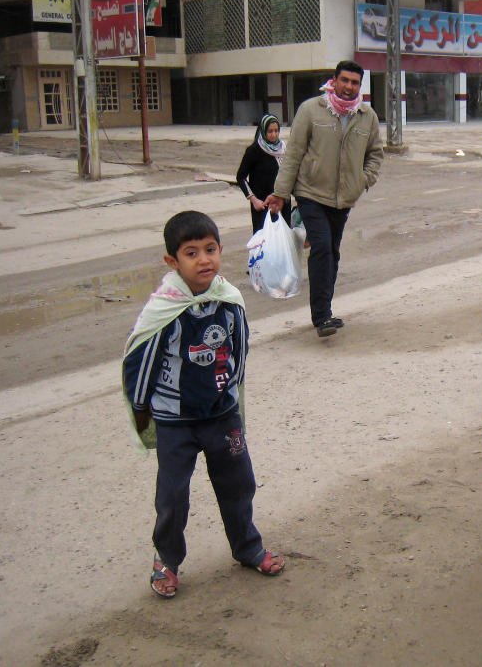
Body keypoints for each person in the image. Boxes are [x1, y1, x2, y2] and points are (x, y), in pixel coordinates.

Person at [122, 210, 285, 598]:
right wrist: (143, 407)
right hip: (175, 422)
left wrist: (229, 392)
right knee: (173, 496)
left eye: (210, 249)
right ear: (172, 262)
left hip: (221, 417)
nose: (204, 260)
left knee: (239, 484)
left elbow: (240, 352)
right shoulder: (164, 310)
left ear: (220, 250)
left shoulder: (228, 300)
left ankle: (248, 548)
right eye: (191, 253)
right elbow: (139, 361)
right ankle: (167, 560)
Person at [264, 60, 383, 337]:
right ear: (334, 80)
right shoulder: (310, 110)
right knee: (321, 247)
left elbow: (375, 154)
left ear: (359, 86)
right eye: (345, 81)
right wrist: (281, 193)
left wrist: (362, 181)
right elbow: (292, 154)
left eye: (355, 83)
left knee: (332, 252)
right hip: (310, 193)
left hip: (344, 199)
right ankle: (321, 316)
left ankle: (325, 311)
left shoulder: (367, 116)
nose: (349, 87)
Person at [236, 114, 291, 233]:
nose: (274, 134)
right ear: (263, 130)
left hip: (282, 204)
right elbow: (241, 177)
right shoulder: (254, 151)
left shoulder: (284, 149)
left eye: (276, 131)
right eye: (270, 131)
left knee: (283, 241)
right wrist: (254, 200)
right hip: (263, 205)